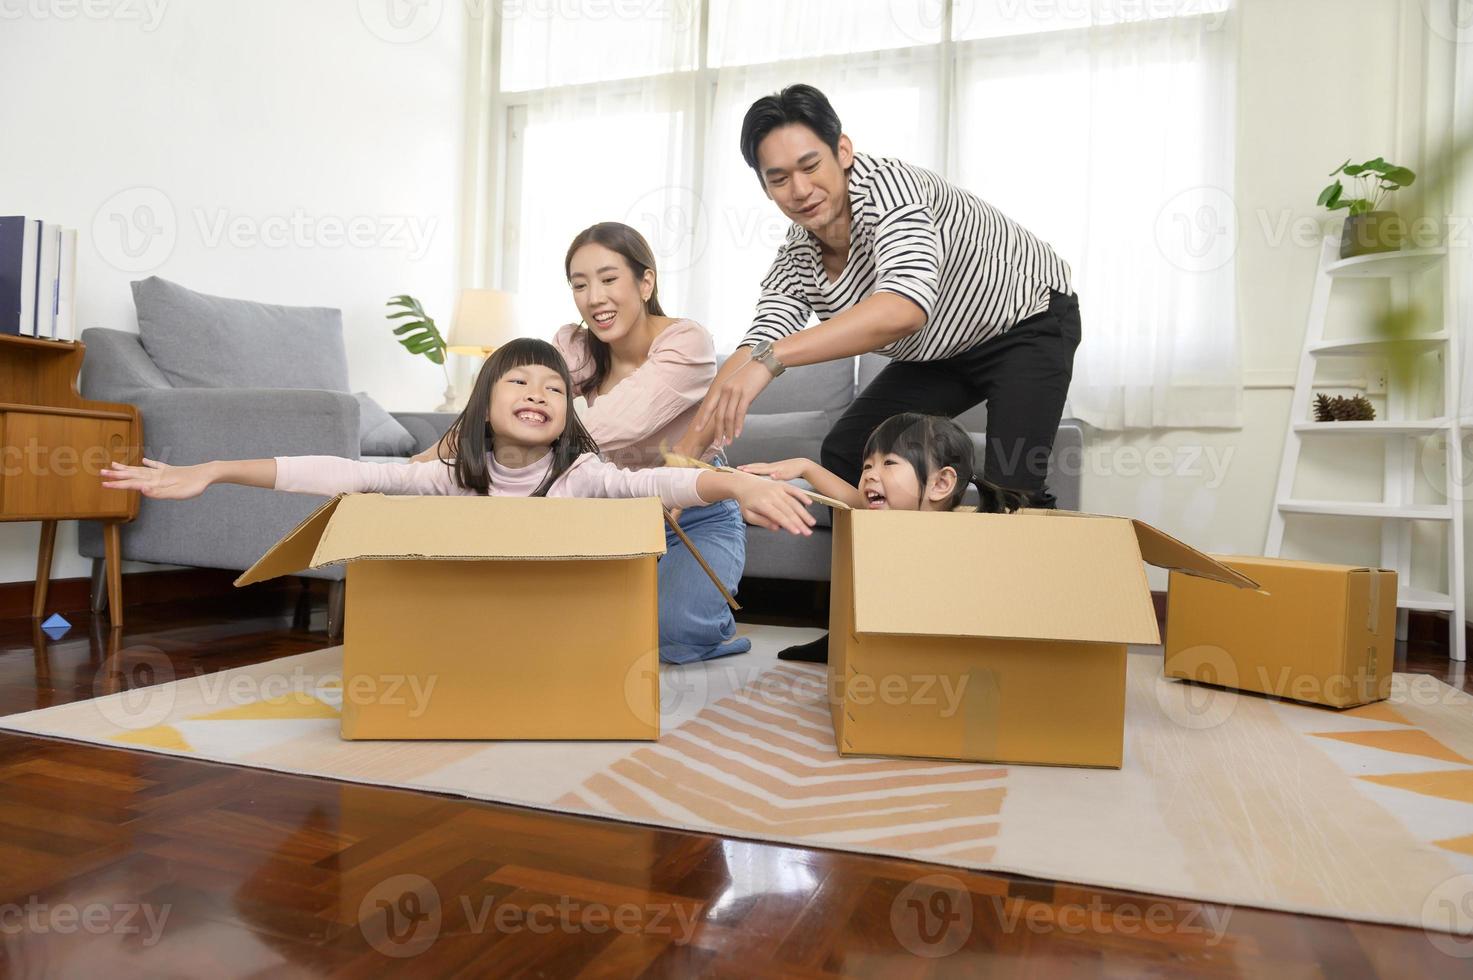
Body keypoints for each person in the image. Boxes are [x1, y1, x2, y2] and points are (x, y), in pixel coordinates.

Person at [676, 83, 1080, 512]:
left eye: (811, 166)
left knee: (1011, 494)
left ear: (843, 152)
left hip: (1025, 321)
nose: (799, 189)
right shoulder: (798, 254)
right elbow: (754, 345)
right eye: (779, 178)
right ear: (765, 187)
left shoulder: (891, 189)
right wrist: (679, 467)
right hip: (942, 350)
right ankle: (891, 567)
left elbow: (904, 308)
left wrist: (772, 359)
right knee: (848, 452)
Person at [415, 222, 757, 663]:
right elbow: (513, 411)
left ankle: (707, 618)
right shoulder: (572, 345)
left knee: (674, 636)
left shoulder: (686, 342)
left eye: (609, 279)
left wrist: (521, 422)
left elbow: (603, 426)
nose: (594, 298)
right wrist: (420, 464)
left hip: (689, 514)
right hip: (602, 510)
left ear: (646, 281)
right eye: (580, 284)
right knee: (566, 634)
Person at [101, 339, 817, 540]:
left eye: (554, 388)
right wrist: (217, 468)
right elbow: (343, 472)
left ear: (570, 417)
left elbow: (662, 482)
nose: (538, 393)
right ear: (478, 411)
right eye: (518, 383)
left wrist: (739, 482)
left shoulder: (581, 476)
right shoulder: (446, 475)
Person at [740, 413, 1025, 662]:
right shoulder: (881, 520)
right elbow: (846, 497)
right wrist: (805, 467)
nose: (870, 475)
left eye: (888, 463)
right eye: (866, 466)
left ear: (940, 484)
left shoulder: (960, 538)